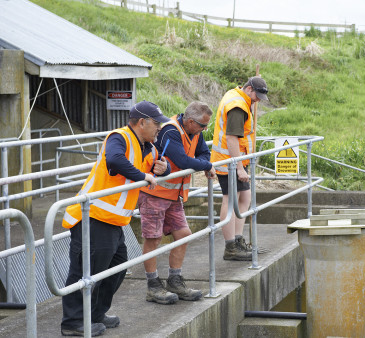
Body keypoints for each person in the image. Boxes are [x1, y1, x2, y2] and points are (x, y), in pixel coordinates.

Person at [61, 101, 171, 336]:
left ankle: (96, 314)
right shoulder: (119, 137)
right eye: (157, 124)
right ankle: (73, 322)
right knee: (85, 272)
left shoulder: (148, 147)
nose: (159, 129)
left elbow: (160, 164)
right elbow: (115, 161)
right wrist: (144, 175)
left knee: (117, 268)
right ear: (142, 123)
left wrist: (164, 168)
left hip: (114, 220)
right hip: (93, 216)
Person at [139, 101, 216, 304]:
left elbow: (204, 153)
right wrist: (206, 165)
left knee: (183, 235)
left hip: (174, 195)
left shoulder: (195, 132)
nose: (205, 130)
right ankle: (153, 286)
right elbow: (183, 161)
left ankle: (174, 280)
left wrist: (204, 161)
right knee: (153, 239)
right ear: (190, 121)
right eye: (202, 126)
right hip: (155, 192)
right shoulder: (170, 131)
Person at [210, 76, 268, 261]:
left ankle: (238, 239)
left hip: (236, 160)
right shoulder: (238, 106)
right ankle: (230, 247)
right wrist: (239, 168)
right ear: (249, 88)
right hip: (229, 161)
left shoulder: (239, 97)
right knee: (229, 199)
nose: (258, 99)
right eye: (257, 95)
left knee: (245, 197)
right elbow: (232, 137)